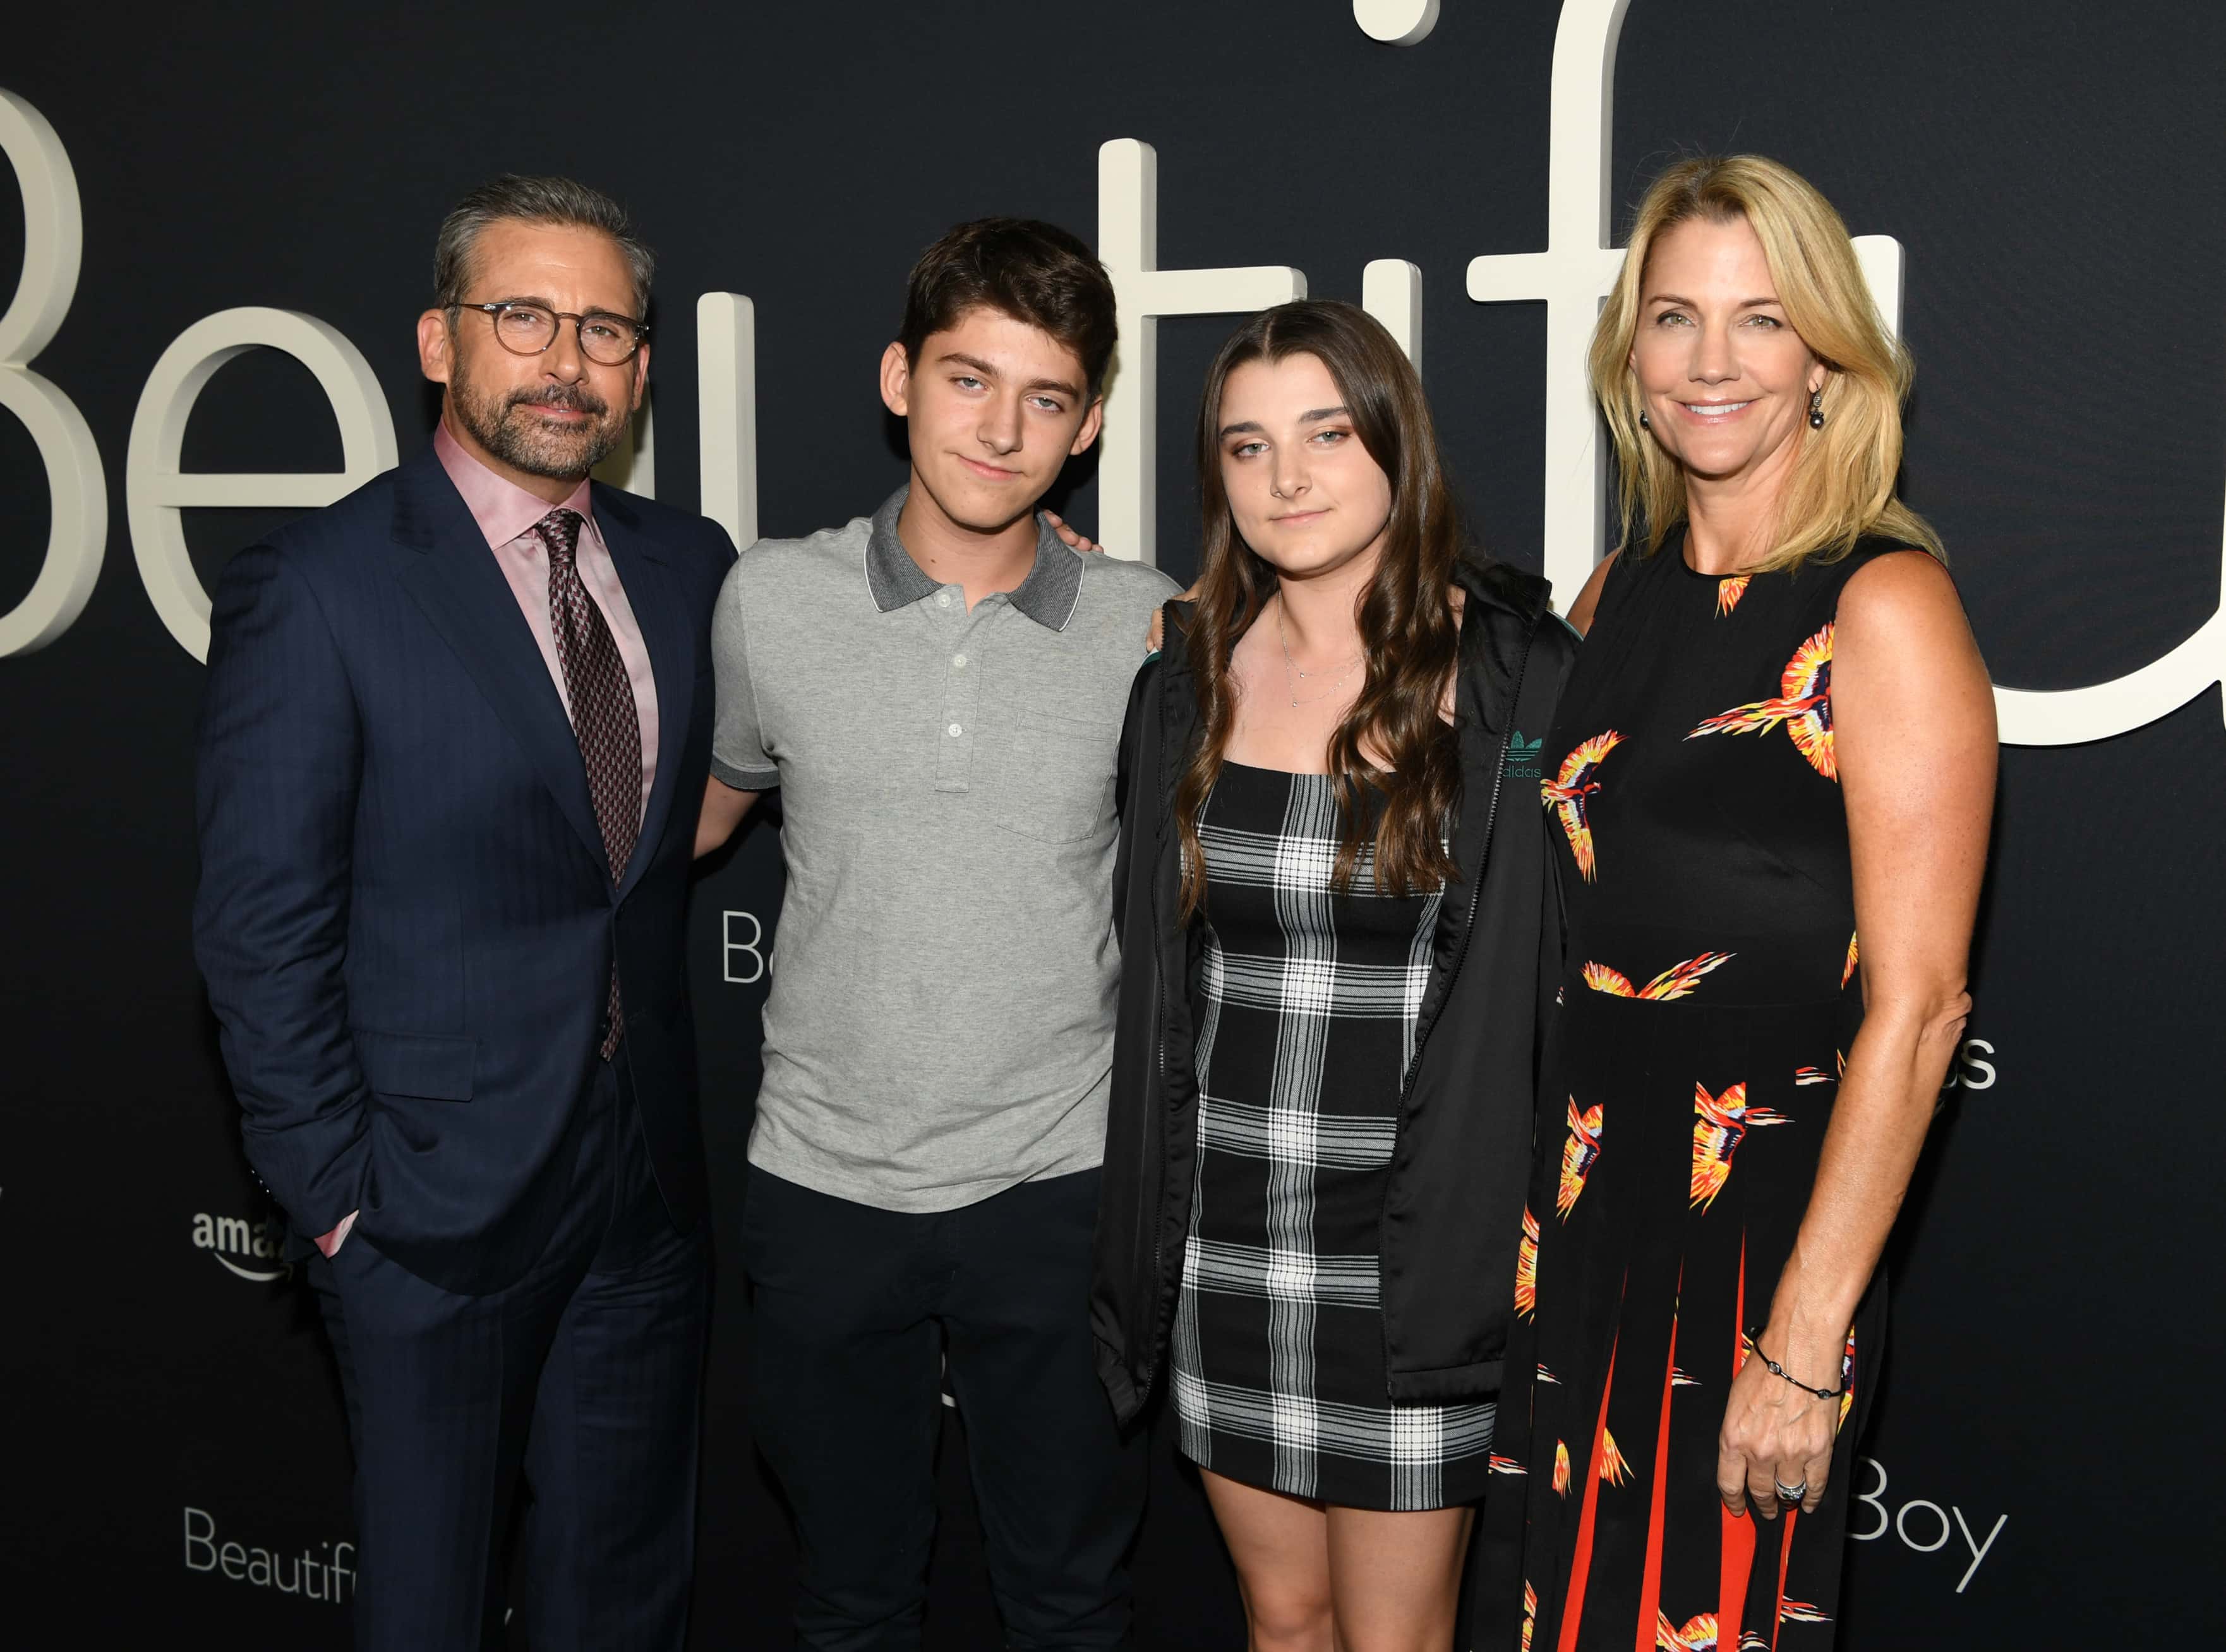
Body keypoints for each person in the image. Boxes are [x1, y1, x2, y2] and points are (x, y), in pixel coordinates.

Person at [194, 176, 736, 1651]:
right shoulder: (323, 586)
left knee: (621, 1604)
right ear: (441, 343)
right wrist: (341, 1198)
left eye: (605, 328)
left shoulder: (693, 569)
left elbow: (677, 818)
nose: (566, 360)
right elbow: (259, 924)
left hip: (643, 1197)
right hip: (427, 1212)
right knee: (428, 1616)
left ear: (639, 364)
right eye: (524, 317)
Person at [1474, 155, 1996, 1650]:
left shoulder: (1880, 607)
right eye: (1673, 318)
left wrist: (1805, 1343)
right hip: (1574, 1215)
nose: (1710, 363)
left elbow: (1920, 1010)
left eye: (1759, 321)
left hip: (1755, 1250)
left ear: (1826, 359)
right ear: (1627, 357)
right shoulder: (1607, 596)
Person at [694, 216, 1176, 1649]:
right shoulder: (770, 600)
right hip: (824, 1184)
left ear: (1087, 424)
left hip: (1063, 1187)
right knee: (849, 1599)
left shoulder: (1153, 627)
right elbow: (694, 822)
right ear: (900, 377)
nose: (1002, 428)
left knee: (1071, 1602)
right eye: (969, 380)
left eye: (1045, 398)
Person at [1090, 299, 1580, 1651]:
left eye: (1323, 433)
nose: (1286, 478)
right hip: (1225, 1237)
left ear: (1393, 446)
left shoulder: (1513, 680)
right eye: (1246, 449)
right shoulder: (1181, 679)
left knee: (1394, 1641)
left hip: (1417, 1251)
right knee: (1282, 1620)